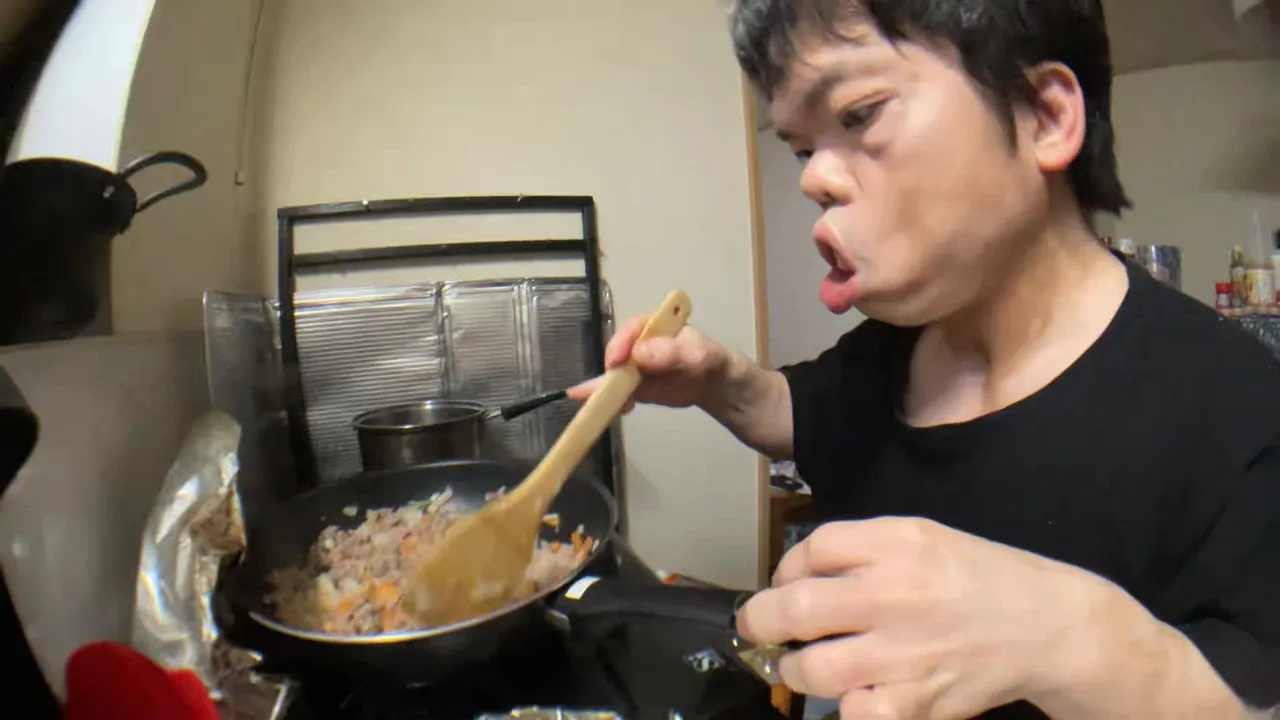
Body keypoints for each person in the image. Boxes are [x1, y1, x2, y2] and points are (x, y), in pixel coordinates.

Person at [569, 1, 1280, 718]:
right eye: (803, 150)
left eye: (859, 115)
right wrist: (719, 381)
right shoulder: (892, 348)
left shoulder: (1235, 401)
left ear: (1044, 116)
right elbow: (800, 413)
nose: (814, 180)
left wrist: (1062, 638)